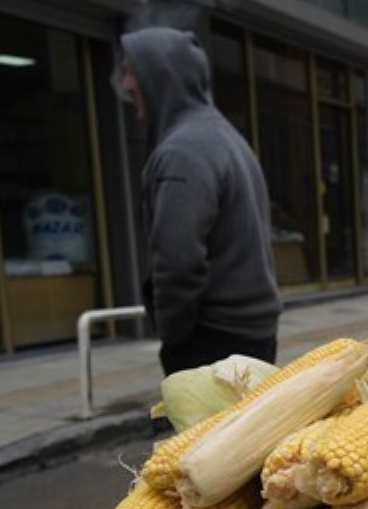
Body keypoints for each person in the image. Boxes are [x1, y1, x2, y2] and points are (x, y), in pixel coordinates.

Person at [119, 27, 280, 375]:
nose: (126, 85)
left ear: (160, 75)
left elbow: (177, 260)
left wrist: (174, 338)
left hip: (214, 343)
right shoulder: (223, 135)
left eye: (132, 71)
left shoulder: (183, 151)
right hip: (251, 335)